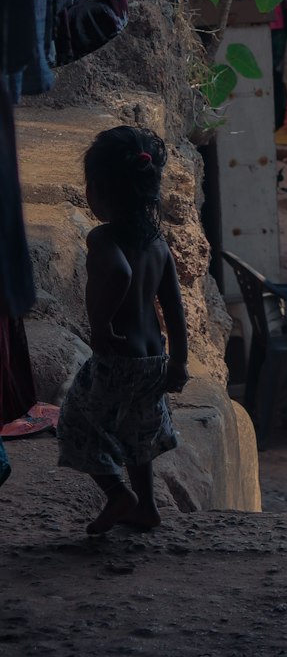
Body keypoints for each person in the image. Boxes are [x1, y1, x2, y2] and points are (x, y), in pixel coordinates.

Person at [57, 127, 189, 536]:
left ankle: (117, 494)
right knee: (138, 433)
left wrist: (101, 325)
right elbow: (173, 305)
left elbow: (117, 272)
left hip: (117, 358)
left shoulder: (102, 237)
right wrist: (180, 360)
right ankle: (146, 506)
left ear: (97, 190)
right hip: (154, 360)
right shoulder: (157, 242)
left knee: (77, 421)